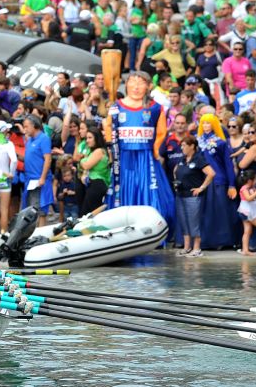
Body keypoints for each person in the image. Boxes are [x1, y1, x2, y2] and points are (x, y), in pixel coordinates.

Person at [104, 71, 175, 229]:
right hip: (123, 157)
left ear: (148, 86)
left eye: (141, 83)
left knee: (150, 191)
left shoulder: (155, 107)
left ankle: (152, 227)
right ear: (126, 85)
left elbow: (162, 132)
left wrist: (155, 148)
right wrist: (112, 150)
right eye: (132, 82)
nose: (136, 87)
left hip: (146, 157)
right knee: (121, 191)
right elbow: (109, 127)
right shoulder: (116, 106)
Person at [196, 113, 238, 250]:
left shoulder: (221, 143)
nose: (205, 125)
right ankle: (205, 241)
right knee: (204, 213)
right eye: (203, 122)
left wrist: (231, 184)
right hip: (201, 180)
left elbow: (228, 165)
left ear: (214, 124)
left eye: (208, 122)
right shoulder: (197, 142)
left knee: (220, 211)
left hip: (218, 180)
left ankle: (223, 240)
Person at [173, 136, 214, 258]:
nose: (182, 148)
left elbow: (211, 173)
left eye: (184, 145)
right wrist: (176, 181)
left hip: (193, 196)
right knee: (184, 221)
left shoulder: (198, 159)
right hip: (180, 194)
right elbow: (175, 171)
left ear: (192, 146)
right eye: (181, 145)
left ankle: (197, 248)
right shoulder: (182, 159)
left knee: (193, 222)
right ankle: (187, 247)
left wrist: (201, 188)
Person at [22, 115, 54, 226]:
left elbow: (48, 159)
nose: (24, 130)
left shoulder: (44, 138)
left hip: (38, 180)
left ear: (34, 125)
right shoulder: (29, 140)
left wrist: (43, 178)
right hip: (29, 180)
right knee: (31, 209)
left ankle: (40, 232)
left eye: (26, 126)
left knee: (40, 210)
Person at [78, 128, 111, 215]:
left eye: (90, 138)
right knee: (89, 212)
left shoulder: (99, 151)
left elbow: (86, 165)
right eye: (86, 138)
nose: (87, 141)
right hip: (93, 183)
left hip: (97, 183)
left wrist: (81, 160)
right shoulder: (92, 151)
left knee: (88, 213)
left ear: (97, 138)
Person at [236, 170, 256, 256]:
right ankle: (245, 250)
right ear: (250, 180)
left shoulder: (251, 188)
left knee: (247, 231)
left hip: (247, 212)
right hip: (248, 212)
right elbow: (248, 198)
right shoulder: (244, 189)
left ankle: (245, 250)